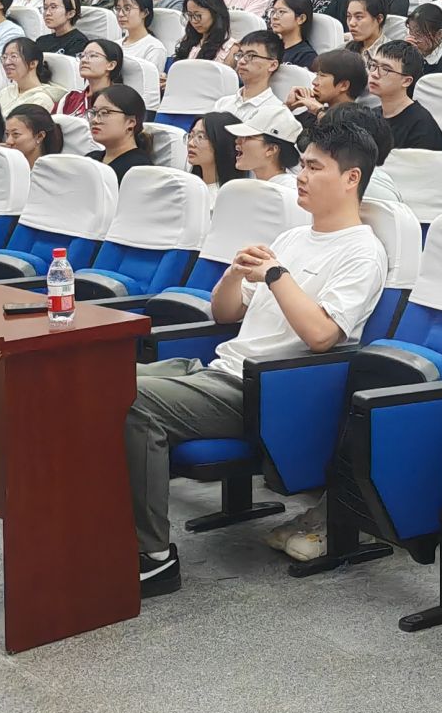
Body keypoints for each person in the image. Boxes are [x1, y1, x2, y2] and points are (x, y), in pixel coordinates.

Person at [126, 122, 385, 595]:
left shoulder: (363, 252)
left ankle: (154, 557)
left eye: (314, 167)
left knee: (129, 397)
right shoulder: (291, 238)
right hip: (218, 371)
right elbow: (225, 313)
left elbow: (323, 336)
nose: (301, 176)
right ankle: (94, 525)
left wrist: (276, 276)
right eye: (302, 165)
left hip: (262, 392)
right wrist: (233, 274)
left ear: (351, 178)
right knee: (95, 377)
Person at [0, 35, 60, 114]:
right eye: (4, 57)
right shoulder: (4, 93)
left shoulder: (41, 99)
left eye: (13, 56)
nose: (6, 62)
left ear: (33, 64)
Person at [171, 0, 233, 66]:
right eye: (190, 15)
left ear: (215, 13)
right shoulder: (190, 41)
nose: (193, 21)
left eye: (198, 15)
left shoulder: (229, 48)